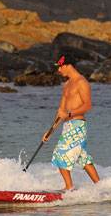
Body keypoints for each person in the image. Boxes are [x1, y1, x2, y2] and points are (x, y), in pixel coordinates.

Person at [41, 54, 100, 190]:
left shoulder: (82, 82)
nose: (58, 70)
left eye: (60, 67)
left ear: (68, 65)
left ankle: (69, 188)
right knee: (82, 158)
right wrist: (50, 131)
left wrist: (69, 114)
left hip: (77, 125)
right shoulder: (67, 85)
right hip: (67, 125)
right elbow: (61, 111)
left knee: (60, 154)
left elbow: (87, 105)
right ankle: (100, 187)